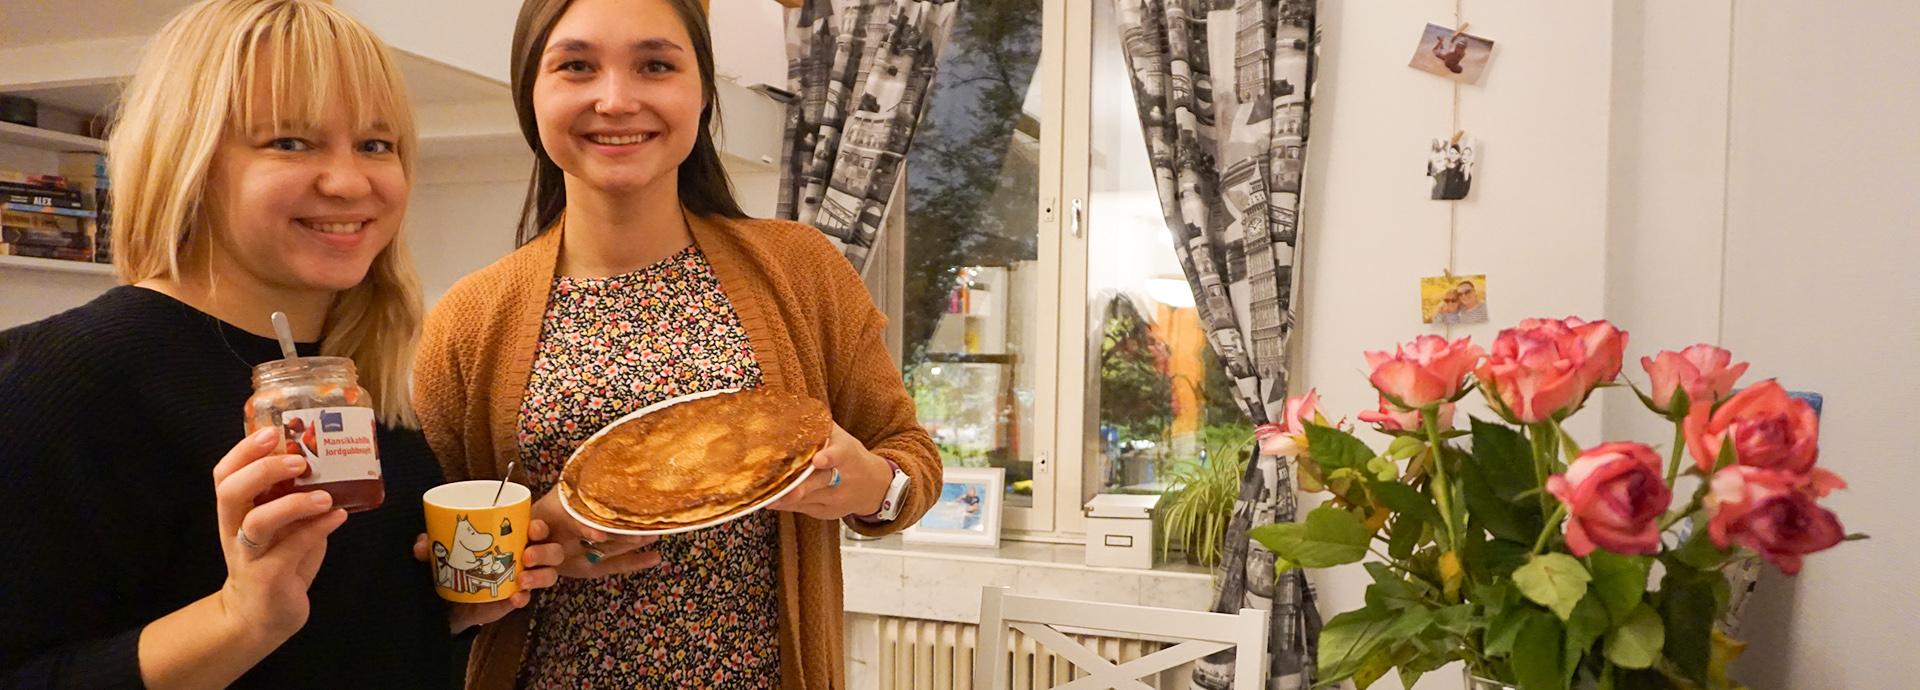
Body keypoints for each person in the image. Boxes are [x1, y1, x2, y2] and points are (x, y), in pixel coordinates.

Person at [0, 1, 562, 686]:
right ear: (191, 159)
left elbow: (345, 633)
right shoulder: (58, 381)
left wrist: (458, 605)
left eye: (376, 145)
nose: (350, 181)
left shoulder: (370, 378)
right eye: (291, 143)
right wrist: (240, 620)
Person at [412, 0, 942, 687]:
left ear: (700, 91)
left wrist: (866, 484)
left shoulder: (801, 271)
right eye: (576, 66)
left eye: (655, 65)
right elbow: (431, 575)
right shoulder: (469, 321)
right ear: (530, 95)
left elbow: (911, 462)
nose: (616, 99)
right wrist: (534, 542)